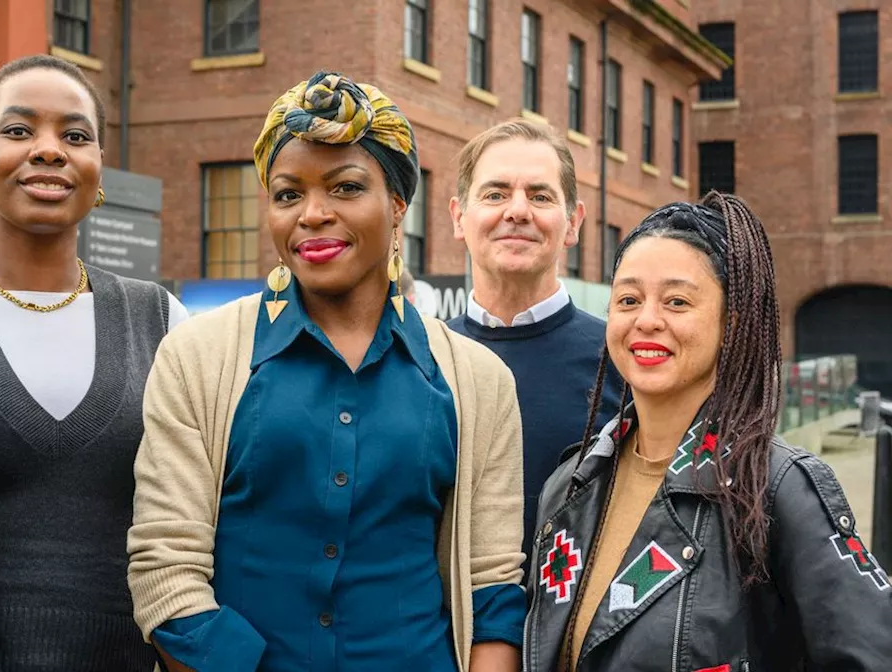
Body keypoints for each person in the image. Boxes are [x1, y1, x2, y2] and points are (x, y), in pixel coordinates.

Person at [128, 71, 526, 672]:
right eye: (288, 194)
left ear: (397, 205)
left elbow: (492, 588)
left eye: (344, 187)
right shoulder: (196, 356)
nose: (312, 214)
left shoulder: (480, 381)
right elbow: (165, 570)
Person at [524, 193, 892, 671]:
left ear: (731, 325)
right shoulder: (571, 487)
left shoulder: (775, 490)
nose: (647, 320)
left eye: (677, 301)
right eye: (628, 300)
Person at [0, 54, 186, 672]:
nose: (50, 150)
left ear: (98, 168)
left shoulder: (162, 322)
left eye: (75, 135)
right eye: (18, 130)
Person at [446, 119, 620, 575]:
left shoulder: (623, 360)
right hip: (444, 637)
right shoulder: (420, 358)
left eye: (540, 196)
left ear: (573, 222)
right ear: (458, 217)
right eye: (495, 194)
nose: (517, 211)